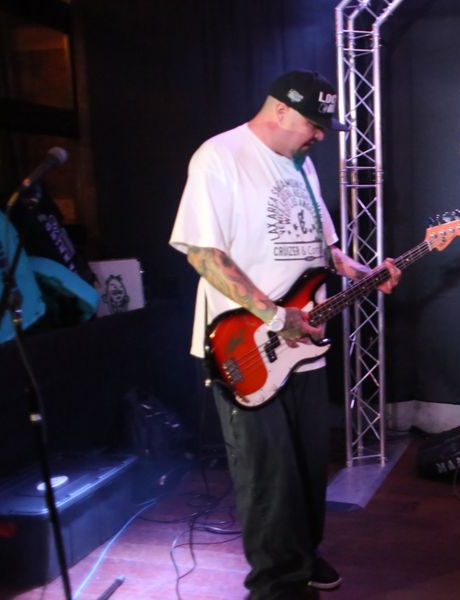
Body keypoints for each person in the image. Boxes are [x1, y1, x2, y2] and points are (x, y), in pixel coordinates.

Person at [169, 69, 400, 600]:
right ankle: (275, 585)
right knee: (267, 474)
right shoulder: (220, 156)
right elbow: (203, 253)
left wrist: (363, 273)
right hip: (245, 347)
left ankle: (301, 556)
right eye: (312, 124)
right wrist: (275, 317)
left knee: (306, 464)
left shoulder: (303, 164)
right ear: (279, 110)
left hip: (303, 348)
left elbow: (323, 250)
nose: (319, 134)